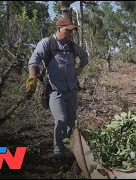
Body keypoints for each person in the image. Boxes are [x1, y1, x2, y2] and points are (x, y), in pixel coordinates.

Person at [25, 17, 89, 170]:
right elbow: (33, 62)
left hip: (72, 91)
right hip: (55, 91)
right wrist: (32, 79)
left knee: (70, 123)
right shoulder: (47, 43)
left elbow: (85, 57)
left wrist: (79, 68)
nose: (70, 34)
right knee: (60, 121)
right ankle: (58, 154)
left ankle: (68, 150)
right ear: (59, 29)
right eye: (68, 31)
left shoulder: (72, 46)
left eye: (72, 31)